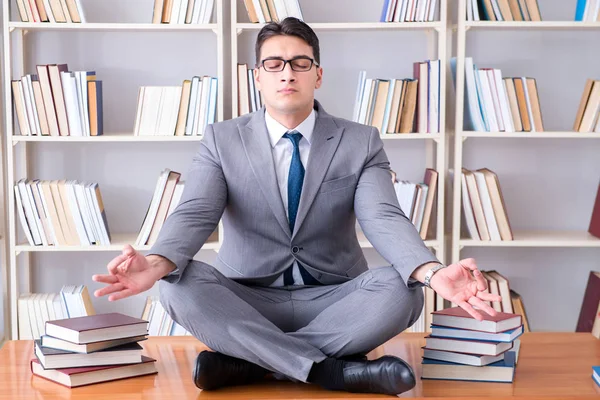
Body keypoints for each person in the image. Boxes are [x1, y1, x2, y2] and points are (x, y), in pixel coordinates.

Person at [93, 17, 501, 396]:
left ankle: (251, 364)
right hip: (246, 299)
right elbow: (196, 210)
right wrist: (158, 261)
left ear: (318, 75)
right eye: (273, 64)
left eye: (300, 63)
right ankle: (332, 371)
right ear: (257, 77)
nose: (287, 72)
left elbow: (382, 215)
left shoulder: (360, 140)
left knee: (404, 288)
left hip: (338, 299)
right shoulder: (222, 139)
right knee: (178, 285)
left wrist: (431, 272)